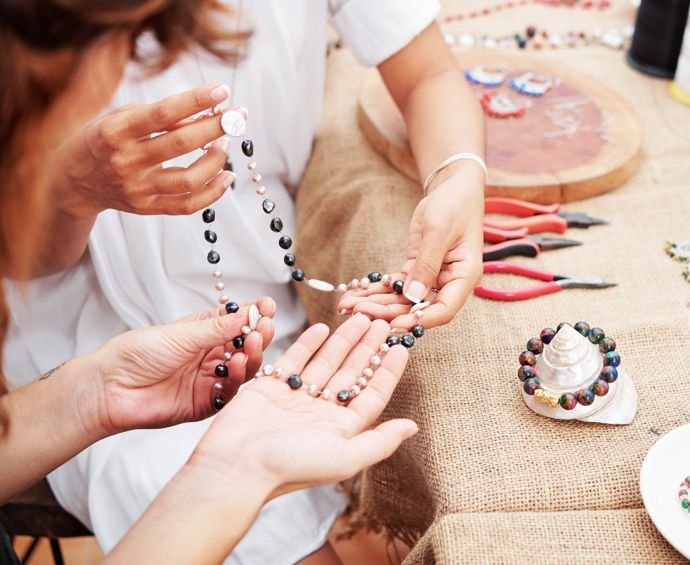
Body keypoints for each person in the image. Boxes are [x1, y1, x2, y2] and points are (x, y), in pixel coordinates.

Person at [5, 0, 485, 562]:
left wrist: (458, 173)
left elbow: (429, 72)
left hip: (214, 330)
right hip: (87, 337)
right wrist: (66, 191)